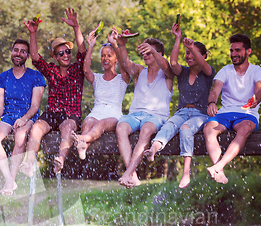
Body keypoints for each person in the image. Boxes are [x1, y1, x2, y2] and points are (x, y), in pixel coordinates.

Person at [145, 21, 215, 188]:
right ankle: (153, 150)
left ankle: (186, 173)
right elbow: (173, 63)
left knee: (185, 129)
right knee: (169, 125)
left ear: (203, 56)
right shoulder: (183, 72)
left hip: (200, 114)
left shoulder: (207, 72)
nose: (189, 56)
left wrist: (192, 47)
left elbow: (204, 65)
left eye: (192, 53)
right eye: (187, 53)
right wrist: (178, 39)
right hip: (182, 112)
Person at [22, 8, 86, 175]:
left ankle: (60, 160)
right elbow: (35, 58)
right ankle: (29, 163)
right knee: (36, 127)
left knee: (67, 128)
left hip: (71, 114)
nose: (66, 55)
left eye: (67, 52)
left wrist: (76, 27)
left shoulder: (77, 69)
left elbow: (83, 51)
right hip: (52, 113)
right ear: (56, 57)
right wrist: (33, 33)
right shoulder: (51, 70)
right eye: (61, 53)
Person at [0, 39, 46, 195]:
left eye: (22, 51)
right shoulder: (2, 77)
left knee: (20, 137)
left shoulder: (36, 76)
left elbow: (35, 106)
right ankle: (9, 180)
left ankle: (10, 180)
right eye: (16, 50)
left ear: (27, 56)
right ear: (12, 53)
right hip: (8, 116)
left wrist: (24, 119)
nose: (18, 53)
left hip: (27, 116)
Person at [115, 36, 174, 188]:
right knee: (120, 128)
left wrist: (153, 51)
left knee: (146, 130)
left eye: (149, 53)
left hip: (156, 117)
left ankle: (128, 173)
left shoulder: (168, 73)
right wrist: (121, 45)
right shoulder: (140, 70)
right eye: (144, 53)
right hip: (135, 115)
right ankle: (132, 174)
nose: (145, 56)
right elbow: (126, 63)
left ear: (158, 53)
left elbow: (167, 67)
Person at [203, 34, 261, 184]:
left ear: (248, 51)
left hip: (247, 114)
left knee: (244, 129)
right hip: (225, 113)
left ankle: (218, 166)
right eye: (231, 51)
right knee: (208, 128)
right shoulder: (225, 70)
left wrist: (256, 99)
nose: (233, 54)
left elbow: (259, 90)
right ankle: (219, 170)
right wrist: (211, 103)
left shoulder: (256, 70)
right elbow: (215, 90)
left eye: (237, 50)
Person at [71, 26, 130, 160]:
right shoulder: (97, 79)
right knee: (87, 122)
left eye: (109, 55)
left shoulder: (122, 79)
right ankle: (83, 148)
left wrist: (116, 45)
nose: (105, 58)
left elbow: (124, 66)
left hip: (113, 115)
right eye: (103, 55)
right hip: (97, 112)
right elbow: (85, 71)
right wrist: (90, 45)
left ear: (116, 59)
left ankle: (82, 139)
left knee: (101, 123)